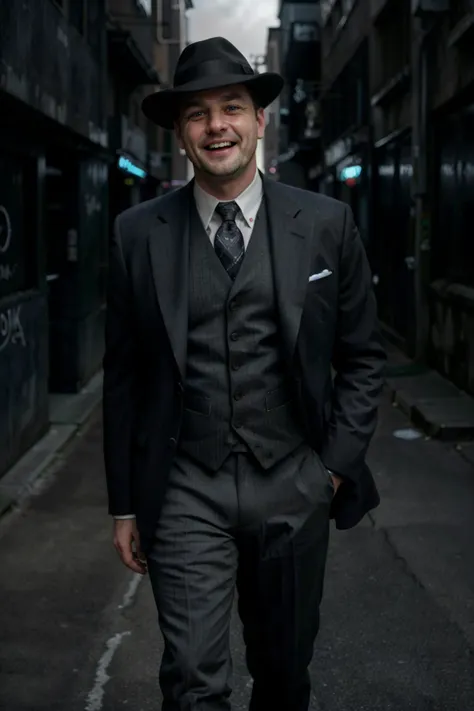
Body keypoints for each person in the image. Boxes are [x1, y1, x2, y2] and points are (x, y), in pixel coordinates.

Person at [103, 36, 386, 711]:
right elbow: (124, 375)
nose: (216, 126)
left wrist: (331, 471)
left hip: (293, 478)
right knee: (194, 679)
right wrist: (124, 503)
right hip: (183, 487)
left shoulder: (325, 224)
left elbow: (363, 357)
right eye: (197, 114)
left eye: (232, 107)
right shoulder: (136, 233)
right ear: (180, 132)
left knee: (284, 673)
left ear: (259, 120)